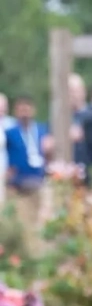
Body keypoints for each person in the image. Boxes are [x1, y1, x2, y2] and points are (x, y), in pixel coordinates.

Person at [5, 96, 52, 249]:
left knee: (41, 219)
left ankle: (38, 247)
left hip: (39, 179)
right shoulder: (10, 132)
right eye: (21, 110)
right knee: (23, 220)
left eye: (27, 109)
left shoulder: (42, 130)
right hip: (18, 182)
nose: (24, 113)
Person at [68, 73, 90, 169]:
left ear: (84, 92)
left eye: (75, 91)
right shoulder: (58, 119)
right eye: (69, 91)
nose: (73, 95)